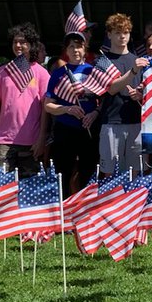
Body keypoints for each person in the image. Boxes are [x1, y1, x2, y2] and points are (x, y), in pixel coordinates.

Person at [0, 22, 52, 178]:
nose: (18, 45)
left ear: (31, 44)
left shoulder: (41, 73)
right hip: (5, 140)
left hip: (32, 141)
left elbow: (46, 109)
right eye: (15, 42)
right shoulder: (2, 71)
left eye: (23, 42)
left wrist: (41, 138)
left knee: (29, 190)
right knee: (2, 190)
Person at [94, 13, 150, 177]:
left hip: (136, 123)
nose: (122, 36)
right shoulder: (102, 61)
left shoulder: (139, 60)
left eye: (125, 32)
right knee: (108, 173)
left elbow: (147, 91)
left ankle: (134, 202)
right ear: (109, 34)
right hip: (111, 122)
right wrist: (133, 71)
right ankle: (109, 202)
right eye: (118, 32)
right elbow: (110, 88)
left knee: (137, 173)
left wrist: (140, 95)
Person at [45, 31, 101, 195]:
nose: (75, 50)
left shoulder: (94, 72)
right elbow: (48, 105)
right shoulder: (58, 74)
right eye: (71, 47)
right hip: (65, 129)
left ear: (85, 49)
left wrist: (95, 113)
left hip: (89, 129)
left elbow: (103, 100)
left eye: (79, 46)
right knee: (63, 172)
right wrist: (67, 109)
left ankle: (84, 208)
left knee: (88, 172)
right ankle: (64, 210)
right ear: (66, 50)